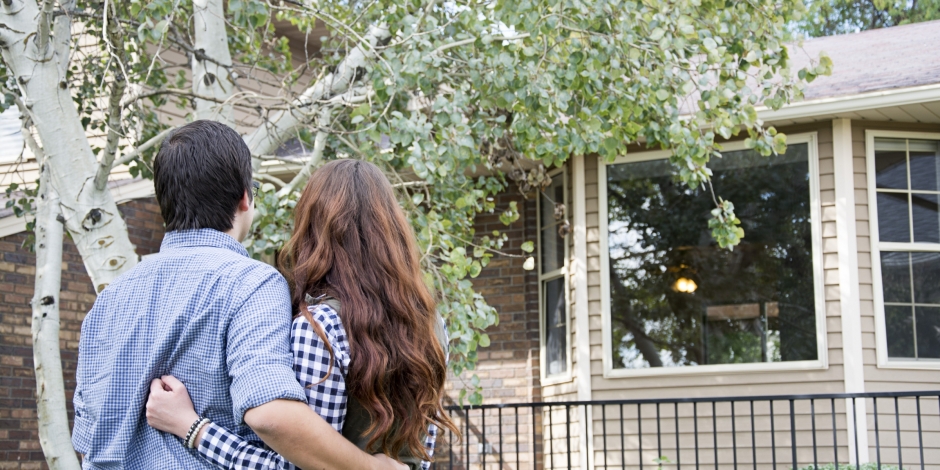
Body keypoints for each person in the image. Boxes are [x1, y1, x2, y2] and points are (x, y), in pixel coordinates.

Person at [73, 121, 406, 470]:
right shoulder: (251, 284)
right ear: (245, 197)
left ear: (165, 203)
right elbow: (270, 416)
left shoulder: (108, 301)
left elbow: (87, 439)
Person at [145, 159, 458, 470]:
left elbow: (296, 465)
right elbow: (421, 453)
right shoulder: (432, 325)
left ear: (312, 228)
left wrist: (192, 427)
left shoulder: (322, 326)